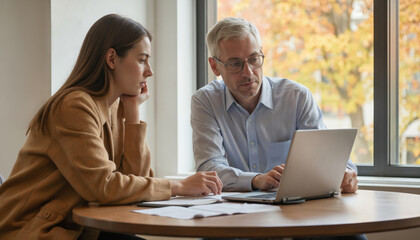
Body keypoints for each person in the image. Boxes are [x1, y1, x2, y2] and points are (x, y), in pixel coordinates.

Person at [0, 14, 222, 240]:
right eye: (142, 60)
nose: (150, 71)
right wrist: (179, 186)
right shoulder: (74, 107)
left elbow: (133, 184)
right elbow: (103, 186)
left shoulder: (115, 107)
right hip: (29, 230)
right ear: (112, 58)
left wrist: (133, 112)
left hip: (77, 229)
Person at [191, 16, 365, 240]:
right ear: (215, 66)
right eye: (235, 64)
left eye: (254, 59)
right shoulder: (205, 102)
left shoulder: (296, 96)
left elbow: (332, 158)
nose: (248, 72)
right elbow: (209, 167)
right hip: (234, 217)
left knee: (351, 236)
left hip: (299, 215)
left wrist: (346, 174)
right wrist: (256, 180)